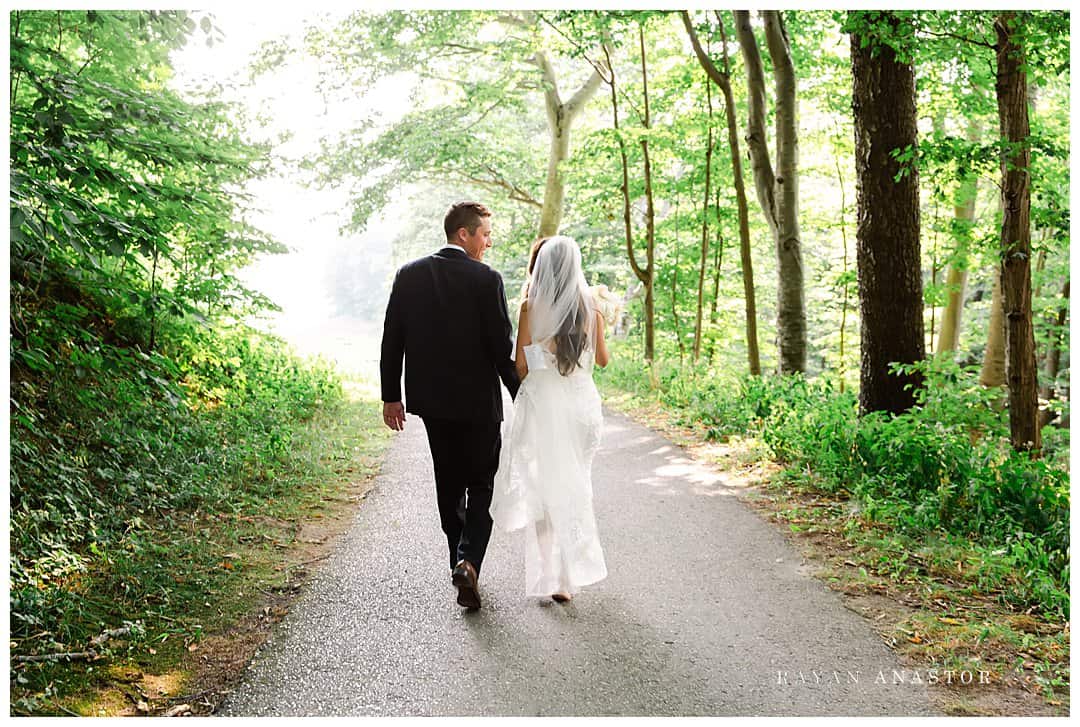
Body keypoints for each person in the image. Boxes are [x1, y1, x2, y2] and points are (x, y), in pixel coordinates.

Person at [380, 201, 520, 611]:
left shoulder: (409, 275)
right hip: (478, 404)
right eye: (485, 234)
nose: (488, 242)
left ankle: (457, 560)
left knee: (448, 482)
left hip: (433, 404)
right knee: (481, 485)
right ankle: (469, 560)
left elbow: (393, 339)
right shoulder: (487, 279)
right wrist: (523, 395)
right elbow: (501, 350)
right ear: (465, 234)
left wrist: (392, 395)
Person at [491, 235, 610, 603]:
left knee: (543, 489)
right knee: (576, 484)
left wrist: (541, 372)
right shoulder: (592, 308)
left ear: (543, 266)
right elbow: (602, 361)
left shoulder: (530, 306)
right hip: (582, 408)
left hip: (543, 405)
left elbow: (521, 366)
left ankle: (549, 572)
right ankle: (570, 573)